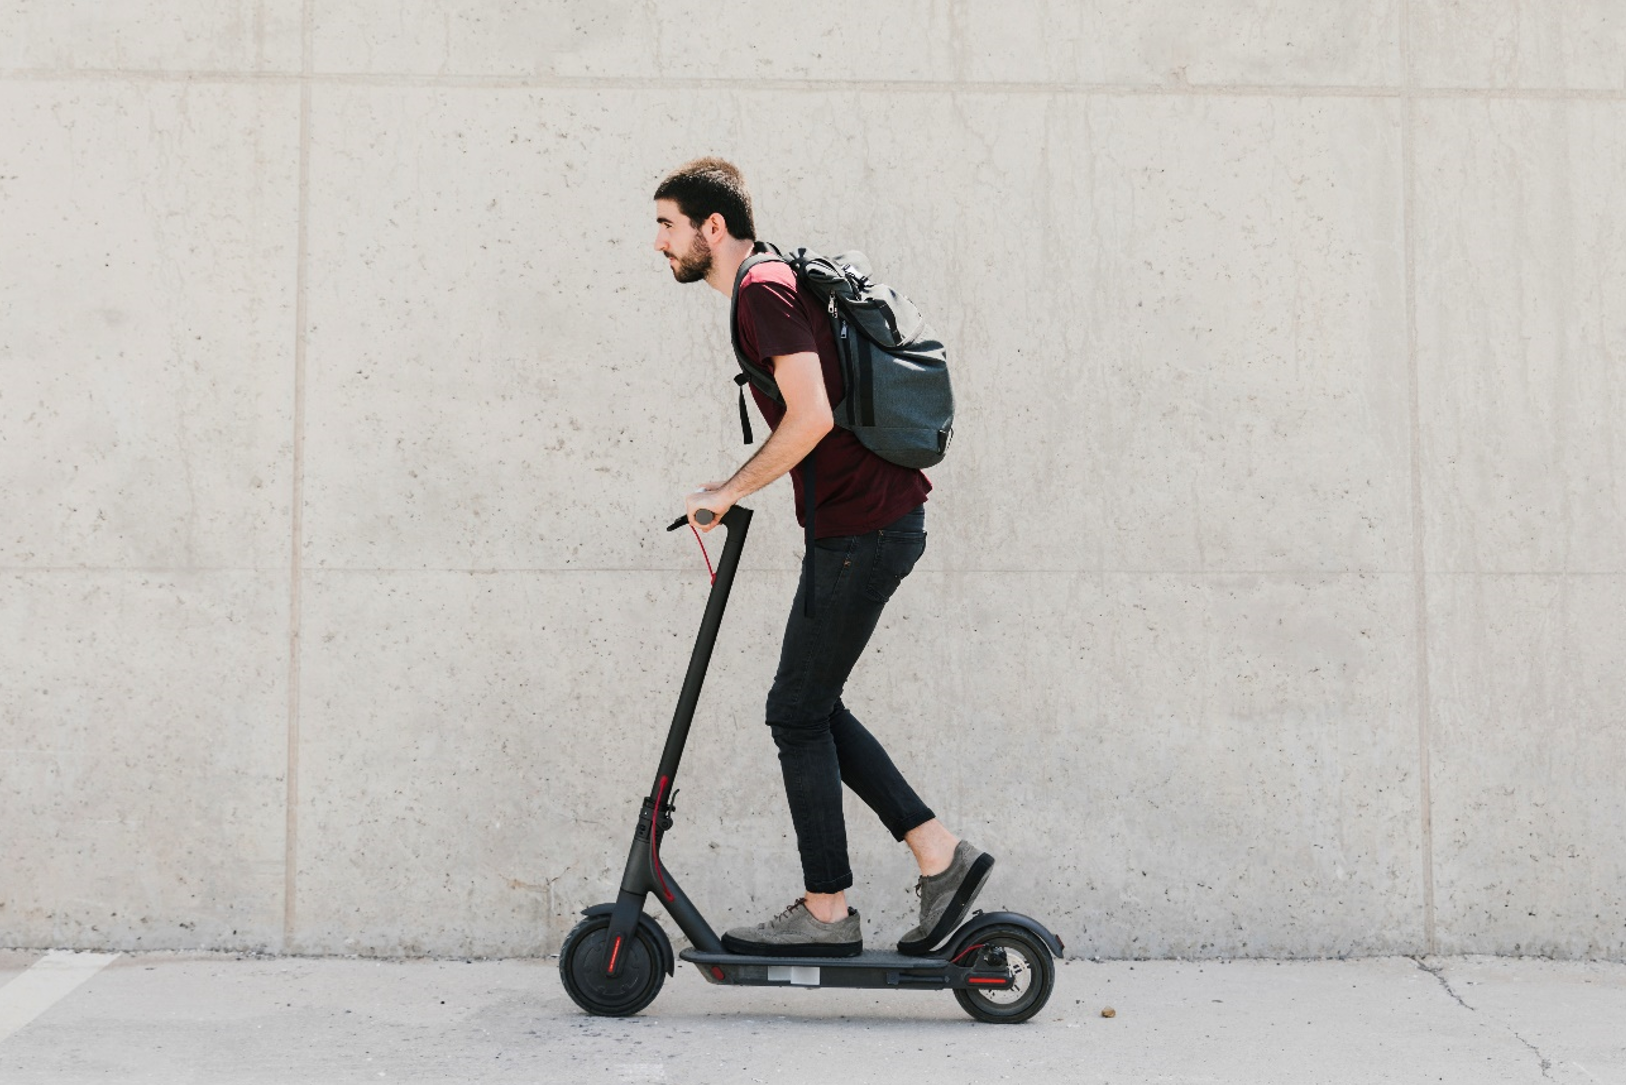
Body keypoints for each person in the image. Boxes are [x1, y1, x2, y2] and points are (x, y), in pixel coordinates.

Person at [652, 157, 993, 958]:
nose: (658, 243)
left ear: (712, 227)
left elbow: (808, 417)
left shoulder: (762, 292)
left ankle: (830, 909)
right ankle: (939, 856)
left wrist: (732, 489)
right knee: (813, 704)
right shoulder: (769, 285)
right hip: (863, 525)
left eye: (667, 225)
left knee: (796, 710)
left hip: (863, 529)